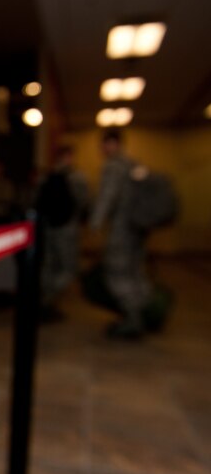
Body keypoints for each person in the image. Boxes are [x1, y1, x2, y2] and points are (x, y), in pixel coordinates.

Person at [90, 129, 151, 339]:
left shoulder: (114, 166)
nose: (102, 149)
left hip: (121, 231)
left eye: (104, 144)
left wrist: (95, 222)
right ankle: (141, 315)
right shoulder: (135, 165)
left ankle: (133, 321)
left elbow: (108, 196)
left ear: (111, 144)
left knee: (117, 274)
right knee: (134, 272)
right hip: (138, 230)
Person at [37, 145, 89, 319]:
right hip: (67, 229)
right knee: (69, 269)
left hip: (47, 228)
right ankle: (47, 299)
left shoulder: (45, 176)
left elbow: (36, 201)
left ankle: (43, 301)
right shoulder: (77, 177)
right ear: (69, 157)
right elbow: (83, 202)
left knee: (49, 266)